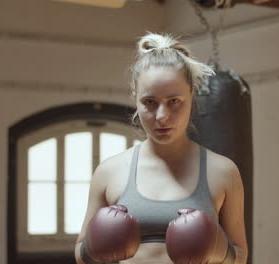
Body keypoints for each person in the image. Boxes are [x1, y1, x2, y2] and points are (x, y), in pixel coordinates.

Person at [74, 32, 248, 264]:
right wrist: (92, 248)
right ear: (135, 99)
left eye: (174, 101)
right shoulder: (110, 171)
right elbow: (80, 254)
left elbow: (241, 256)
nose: (162, 116)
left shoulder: (223, 172)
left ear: (191, 96)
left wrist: (219, 249)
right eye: (150, 103)